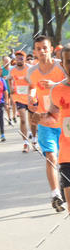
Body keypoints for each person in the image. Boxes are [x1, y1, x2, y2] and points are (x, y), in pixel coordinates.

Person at [28, 35, 66, 212]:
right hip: (46, 120)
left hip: (65, 121)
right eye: (38, 48)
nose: (42, 51)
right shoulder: (32, 71)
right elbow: (32, 86)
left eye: (45, 47)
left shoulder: (62, 65)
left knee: (66, 160)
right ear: (35, 52)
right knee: (51, 156)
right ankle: (55, 194)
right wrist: (31, 97)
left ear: (51, 49)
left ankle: (65, 187)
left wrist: (55, 85)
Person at [47, 46, 70, 208]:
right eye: (69, 61)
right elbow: (52, 116)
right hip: (67, 155)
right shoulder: (56, 90)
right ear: (62, 64)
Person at [9, 50, 33, 152]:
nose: (19, 59)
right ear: (15, 59)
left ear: (24, 58)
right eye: (17, 58)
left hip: (30, 96)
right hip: (19, 97)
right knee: (23, 119)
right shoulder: (13, 69)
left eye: (21, 58)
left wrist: (29, 81)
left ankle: (34, 139)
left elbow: (35, 81)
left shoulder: (29, 68)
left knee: (32, 120)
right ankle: (25, 143)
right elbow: (9, 79)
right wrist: (11, 88)